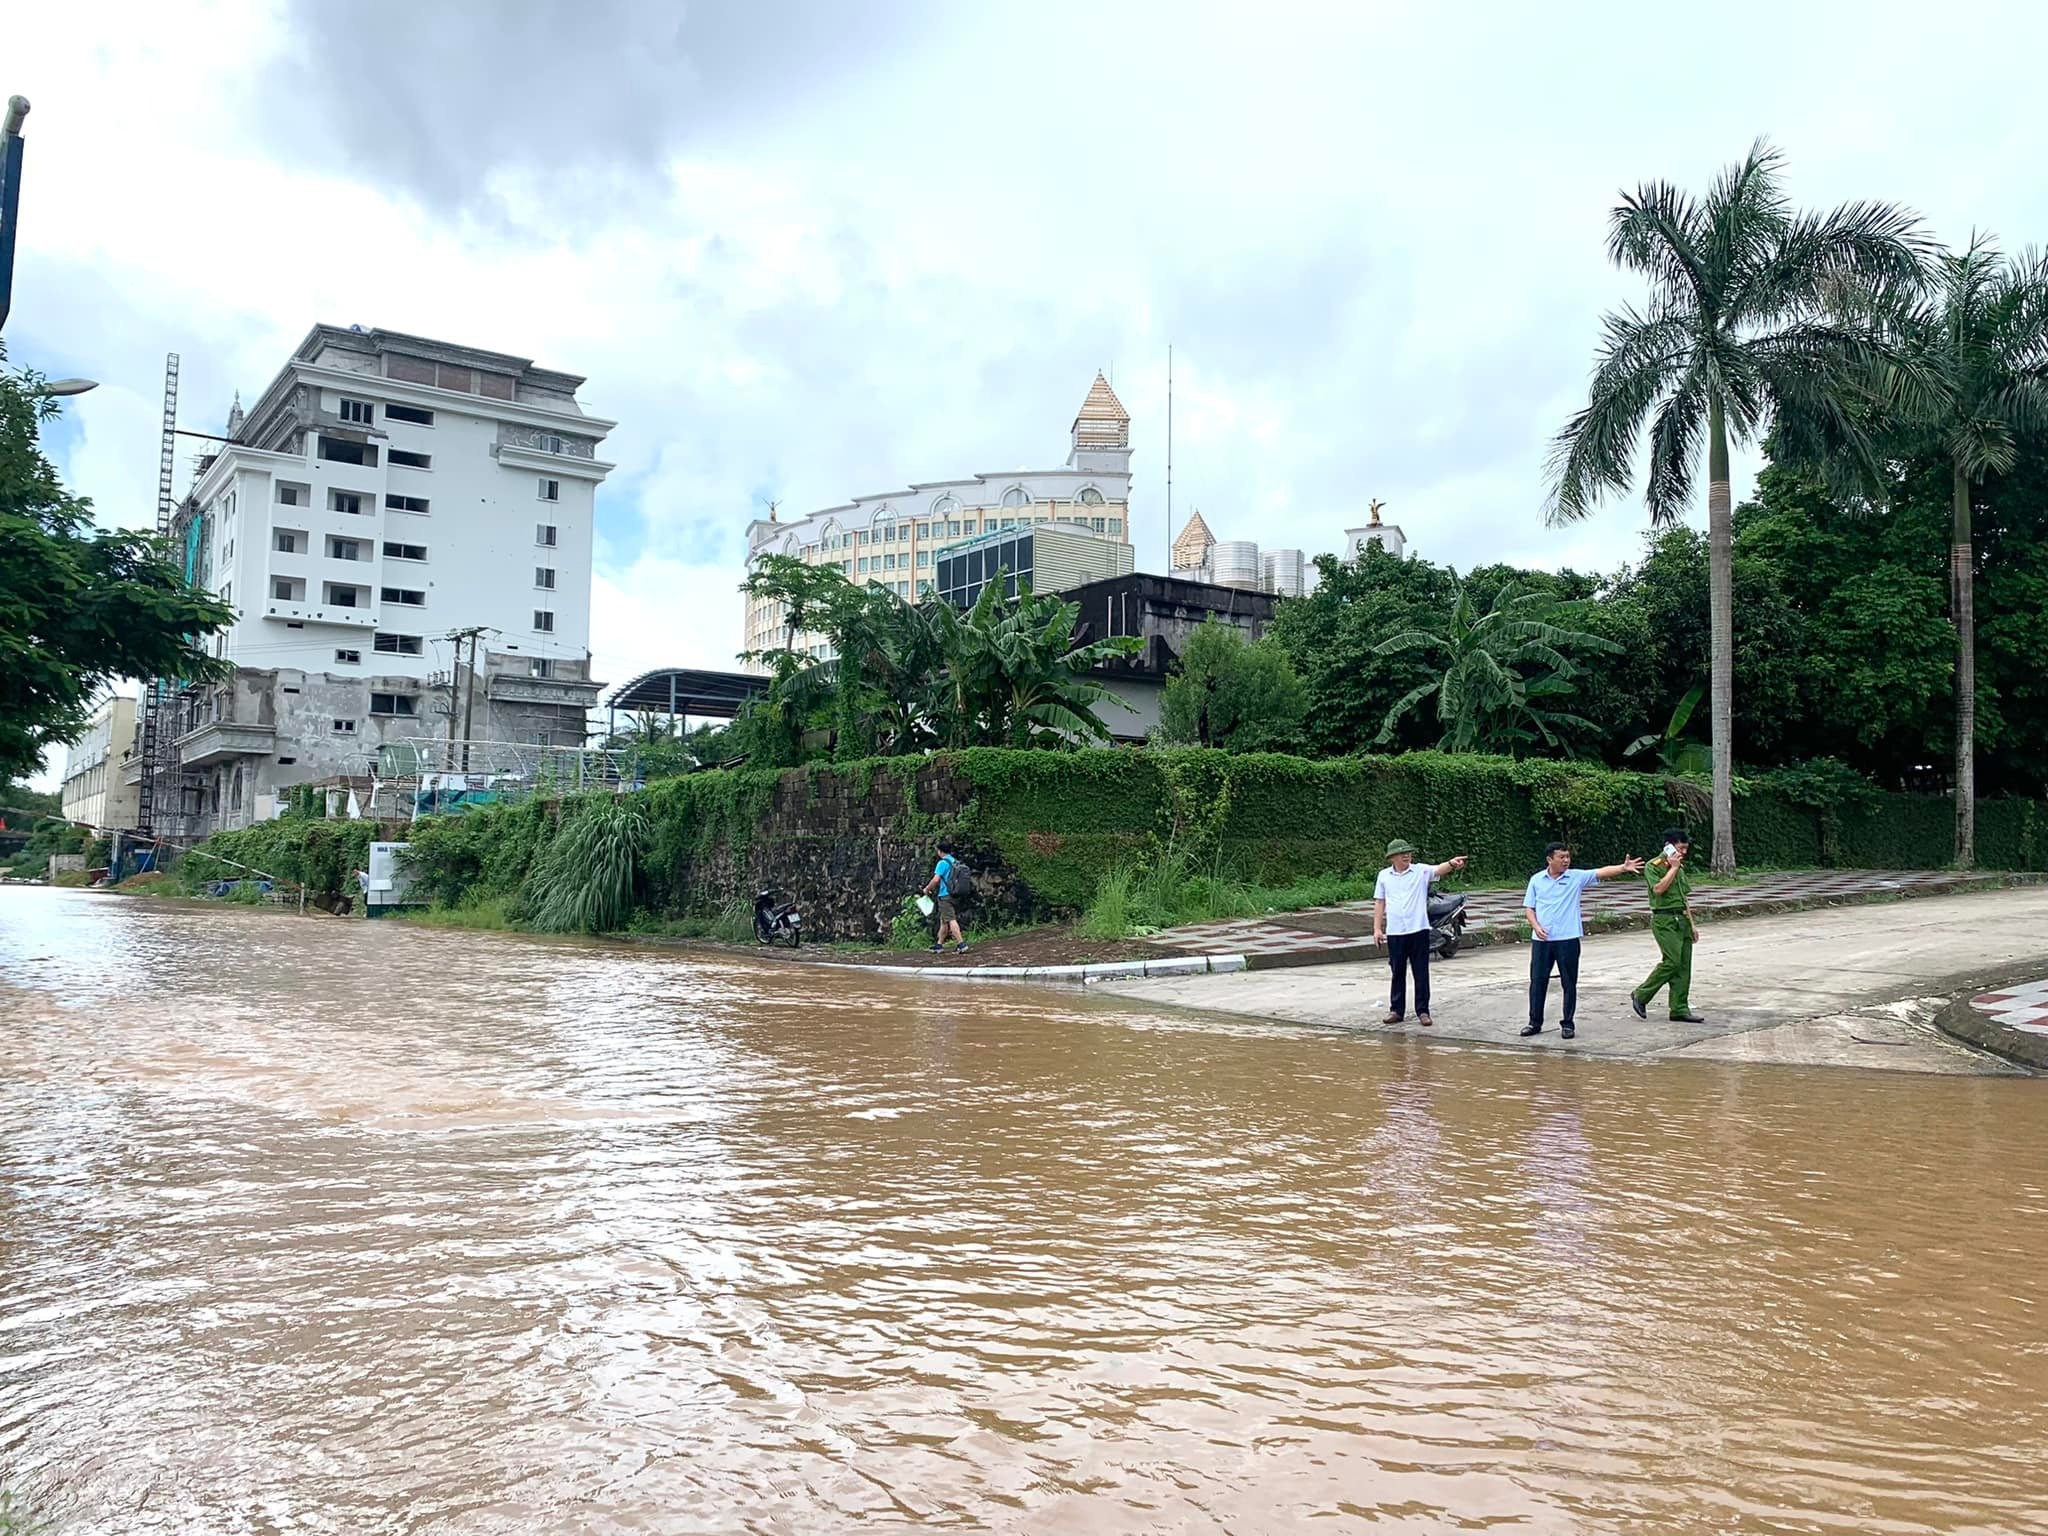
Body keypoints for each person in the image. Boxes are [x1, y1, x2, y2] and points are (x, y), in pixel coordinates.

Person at [1521, 842, 1644, 1040]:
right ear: (1549, 859)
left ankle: (1567, 1023)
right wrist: (1535, 926)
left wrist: (1623, 868)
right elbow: (1529, 908)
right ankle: (1534, 1022)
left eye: (1567, 857)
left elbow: (1600, 872)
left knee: (1569, 983)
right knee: (1537, 982)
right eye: (1561, 857)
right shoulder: (1536, 880)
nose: (1566, 861)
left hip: (1568, 939)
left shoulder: (1575, 877)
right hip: (1542, 941)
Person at [1372, 839, 1469, 1026]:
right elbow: (1379, 902)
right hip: (1396, 931)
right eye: (1402, 853)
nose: (1406, 855)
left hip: (1418, 930)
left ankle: (1423, 1011)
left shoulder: (1419, 871)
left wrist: (1452, 863)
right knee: (1397, 971)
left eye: (1408, 852)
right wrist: (1377, 929)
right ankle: (1396, 1010)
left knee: (1421, 972)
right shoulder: (1384, 876)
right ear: (1392, 857)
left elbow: (1438, 869)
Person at [1632, 828, 1706, 1024]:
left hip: (1681, 919)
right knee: (1672, 961)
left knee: (1683, 966)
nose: (1683, 853)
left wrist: (1692, 925)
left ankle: (1679, 1008)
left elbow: (1684, 898)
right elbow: (1658, 889)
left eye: (1685, 849)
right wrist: (1672, 868)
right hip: (1664, 919)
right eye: (1680, 848)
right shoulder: (1653, 866)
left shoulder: (1680, 868)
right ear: (1669, 847)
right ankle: (1641, 994)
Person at [922, 840, 967, 955]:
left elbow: (936, 879)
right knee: (944, 921)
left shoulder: (942, 863)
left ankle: (961, 944)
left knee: (951, 919)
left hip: (945, 895)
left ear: (940, 851)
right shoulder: (955, 862)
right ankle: (939, 944)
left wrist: (927, 889)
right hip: (955, 894)